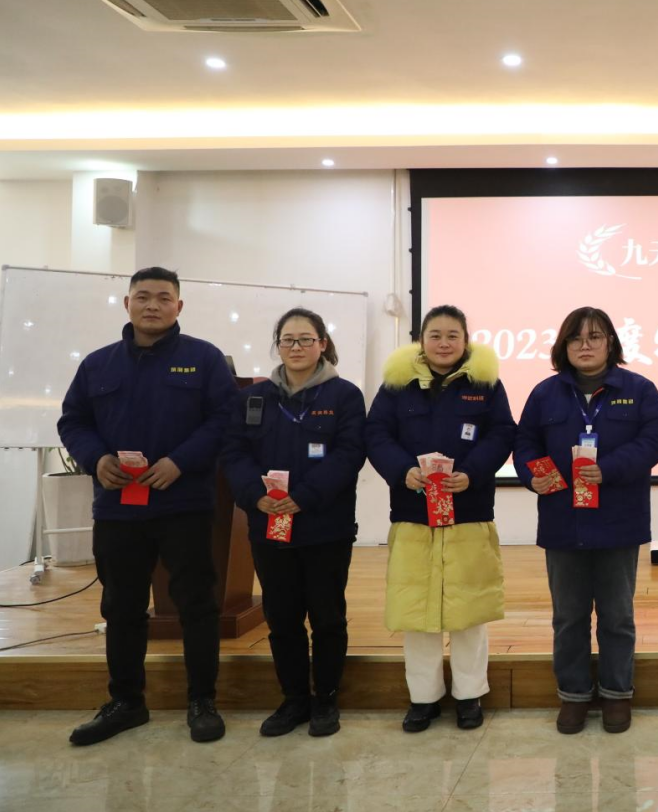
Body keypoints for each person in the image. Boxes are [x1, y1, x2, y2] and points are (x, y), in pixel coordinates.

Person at [58, 266, 238, 745]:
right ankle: (126, 702)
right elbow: (73, 421)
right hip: (118, 508)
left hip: (184, 504)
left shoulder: (204, 359)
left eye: (163, 297)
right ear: (127, 303)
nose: (152, 305)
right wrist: (96, 459)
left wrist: (181, 462)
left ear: (179, 306)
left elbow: (225, 419)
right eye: (143, 296)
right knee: (122, 606)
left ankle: (202, 701)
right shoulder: (97, 364)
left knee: (196, 605)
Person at [514, 306, 658, 735]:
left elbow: (656, 438)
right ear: (564, 346)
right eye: (576, 338)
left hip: (619, 521)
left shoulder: (639, 389)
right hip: (563, 522)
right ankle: (574, 696)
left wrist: (611, 468)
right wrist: (532, 474)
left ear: (610, 343)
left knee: (617, 616)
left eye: (595, 337)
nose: (585, 345)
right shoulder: (545, 394)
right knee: (569, 617)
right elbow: (524, 443)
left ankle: (618, 694)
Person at [365, 305, 516, 733]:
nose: (444, 343)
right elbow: (375, 434)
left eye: (453, 335)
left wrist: (472, 473)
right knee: (417, 611)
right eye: (435, 335)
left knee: (469, 610)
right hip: (413, 513)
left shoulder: (486, 384)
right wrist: (402, 471)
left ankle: (470, 696)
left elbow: (503, 433)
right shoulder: (397, 385)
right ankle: (423, 699)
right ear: (421, 340)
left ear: (466, 340)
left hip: (469, 512)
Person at [220, 308, 366, 737]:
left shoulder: (345, 396)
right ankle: (293, 700)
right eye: (288, 340)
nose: (296, 347)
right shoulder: (253, 398)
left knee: (327, 616)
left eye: (305, 339)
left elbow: (349, 455)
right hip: (268, 526)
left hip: (325, 527)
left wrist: (302, 498)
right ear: (277, 345)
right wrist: (256, 496)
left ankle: (326, 699)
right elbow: (233, 453)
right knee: (282, 618)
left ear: (323, 344)